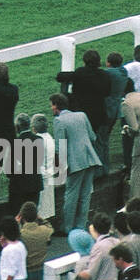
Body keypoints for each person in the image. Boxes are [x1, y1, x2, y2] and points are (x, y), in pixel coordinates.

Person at [51, 92, 102, 233]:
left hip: (75, 162)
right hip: (90, 157)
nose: (51, 108)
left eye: (52, 105)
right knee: (85, 194)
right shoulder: (82, 115)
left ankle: (67, 227)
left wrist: (60, 168)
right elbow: (92, 136)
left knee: (71, 195)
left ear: (56, 106)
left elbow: (59, 147)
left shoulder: (59, 121)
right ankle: (80, 225)